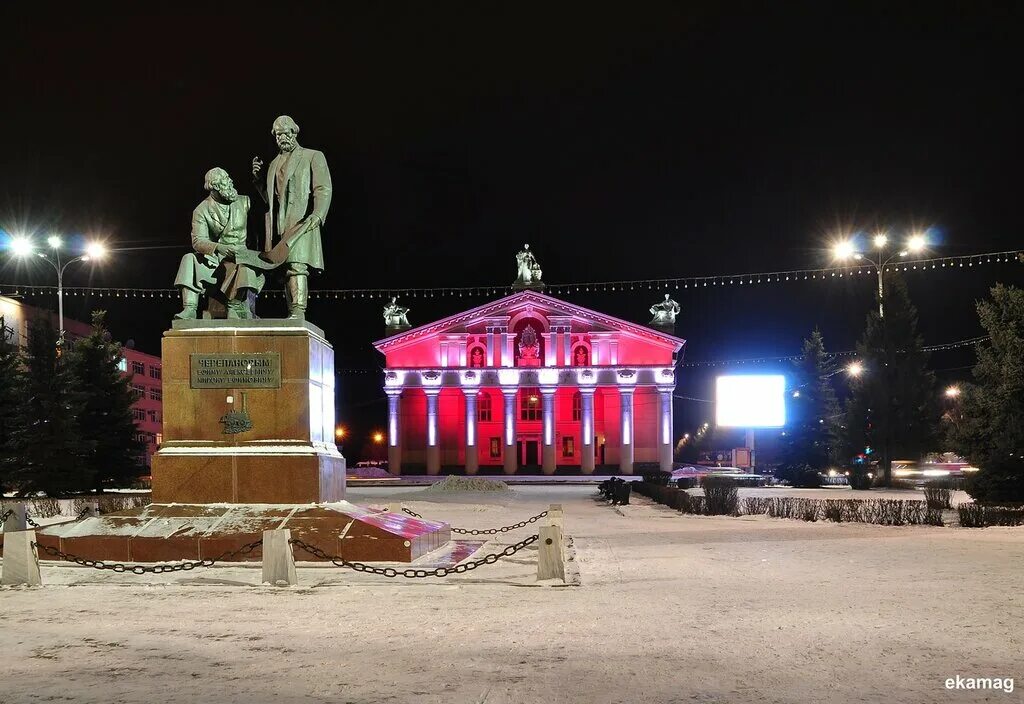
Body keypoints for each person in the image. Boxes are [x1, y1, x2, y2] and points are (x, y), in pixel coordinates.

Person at [252, 115, 332, 320]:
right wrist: (259, 180)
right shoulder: (273, 163)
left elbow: (322, 188)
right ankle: (292, 312)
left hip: (302, 221)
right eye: (277, 135)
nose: (281, 138)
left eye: (284, 133)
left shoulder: (312, 156)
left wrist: (318, 214)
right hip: (279, 224)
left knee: (298, 266)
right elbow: (271, 199)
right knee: (285, 269)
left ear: (294, 132)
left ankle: (298, 311)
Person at [173, 168, 265, 319]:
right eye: (225, 180)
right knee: (189, 259)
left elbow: (266, 210)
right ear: (215, 186)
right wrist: (218, 248)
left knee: (245, 266)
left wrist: (259, 180)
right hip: (216, 259)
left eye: (229, 177)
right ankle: (189, 308)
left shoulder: (244, 202)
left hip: (241, 256)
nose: (230, 181)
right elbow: (198, 241)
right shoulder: (201, 210)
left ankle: (235, 306)